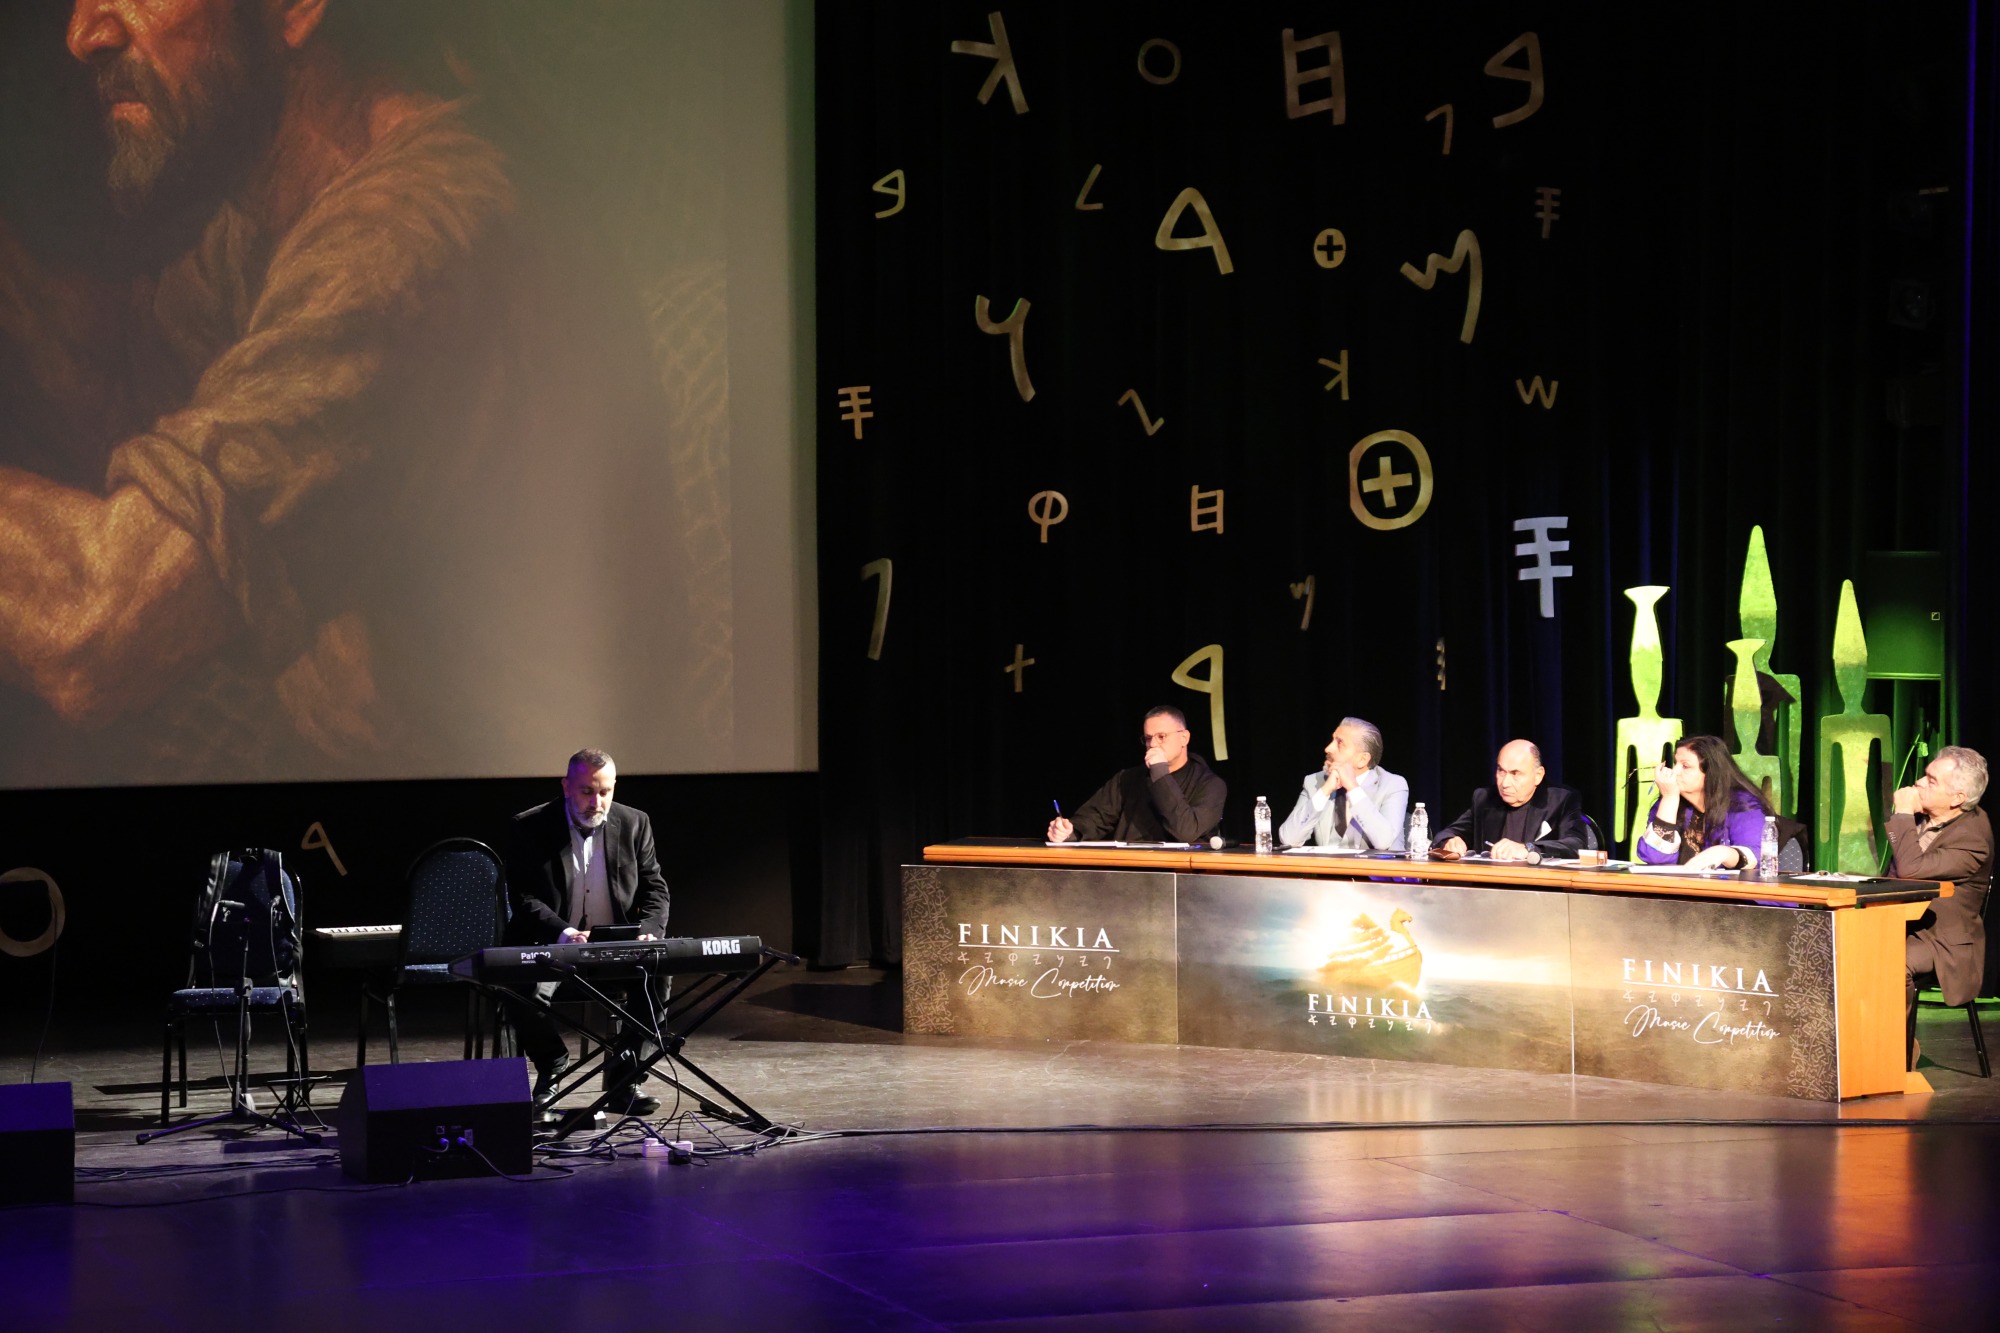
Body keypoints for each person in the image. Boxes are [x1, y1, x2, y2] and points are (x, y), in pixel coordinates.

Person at [0, 0, 691, 785]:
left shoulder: (404, 245)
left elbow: (95, 626)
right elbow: (137, 401)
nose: (82, 34)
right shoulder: (269, 215)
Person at [505, 748, 671, 1117]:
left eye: (604, 792)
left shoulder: (634, 823)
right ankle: (552, 1067)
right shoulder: (530, 826)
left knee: (658, 977)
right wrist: (564, 932)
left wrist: (649, 931)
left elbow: (655, 888)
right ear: (566, 787)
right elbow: (524, 896)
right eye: (586, 792)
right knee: (522, 990)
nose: (596, 802)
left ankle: (625, 1079)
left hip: (615, 947)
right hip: (551, 945)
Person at [1889, 746, 1992, 1026]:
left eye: (1932, 780)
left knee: (1890, 963)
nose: (1919, 783)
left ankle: (1896, 1045)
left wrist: (1902, 813)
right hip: (1899, 922)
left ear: (1957, 798)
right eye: (1925, 775)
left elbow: (1910, 870)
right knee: (1839, 946)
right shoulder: (1924, 817)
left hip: (1937, 938)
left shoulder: (1973, 839)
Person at [1047, 705, 1227, 844]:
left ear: (1184, 738)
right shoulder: (1128, 778)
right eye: (1148, 738)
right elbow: (1096, 817)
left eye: (1161, 736)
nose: (1153, 744)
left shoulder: (1210, 785)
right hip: (1130, 870)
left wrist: (1160, 772)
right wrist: (1069, 831)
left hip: (1180, 874)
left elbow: (1186, 831)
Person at [1637, 734, 1776, 869]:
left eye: (1685, 766)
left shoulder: (1742, 805)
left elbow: (1759, 856)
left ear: (1710, 772)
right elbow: (1655, 859)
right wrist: (1669, 798)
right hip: (1678, 884)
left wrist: (1724, 853)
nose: (1675, 771)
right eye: (1675, 763)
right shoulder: (1669, 801)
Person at [1434, 738, 1587, 861]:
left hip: (1539, 886)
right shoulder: (1485, 798)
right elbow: (1445, 834)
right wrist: (1450, 841)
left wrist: (1527, 848)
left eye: (1515, 773)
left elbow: (1576, 845)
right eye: (1501, 771)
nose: (1505, 783)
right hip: (1489, 886)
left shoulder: (1561, 800)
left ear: (1538, 775)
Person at [1278, 717, 1408, 850]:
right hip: (1329, 864)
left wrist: (1352, 788)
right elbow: (1289, 839)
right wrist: (1325, 790)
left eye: (1339, 743)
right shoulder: (1315, 781)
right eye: (1332, 740)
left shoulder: (1393, 785)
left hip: (1375, 864)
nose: (1328, 748)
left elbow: (1384, 842)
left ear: (1362, 759)